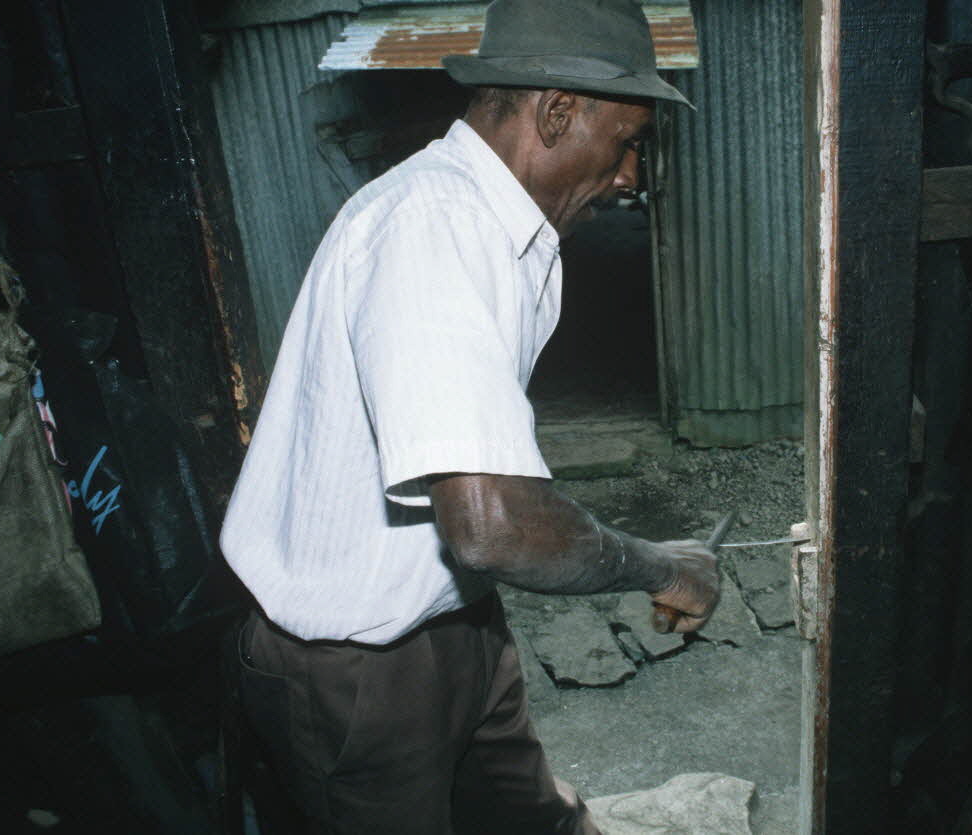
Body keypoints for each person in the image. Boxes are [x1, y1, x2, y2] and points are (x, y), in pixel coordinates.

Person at [219, 1, 720, 832]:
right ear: (558, 114)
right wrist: (661, 565)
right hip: (352, 674)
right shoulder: (432, 227)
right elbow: (490, 523)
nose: (631, 174)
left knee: (539, 822)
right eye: (627, 142)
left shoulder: (499, 232)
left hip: (455, 624)